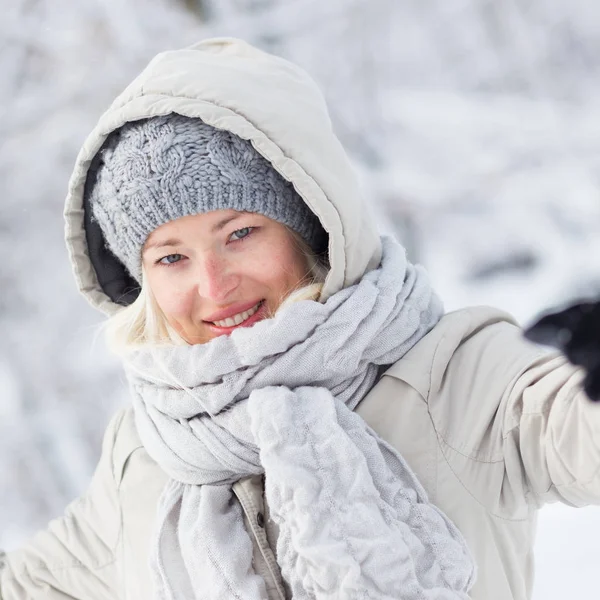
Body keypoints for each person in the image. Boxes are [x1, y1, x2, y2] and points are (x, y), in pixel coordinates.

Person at [0, 37, 598, 600]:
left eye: (240, 233)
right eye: (172, 258)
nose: (213, 285)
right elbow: (37, 581)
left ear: (311, 227)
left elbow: (577, 435)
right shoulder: (146, 447)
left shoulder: (456, 372)